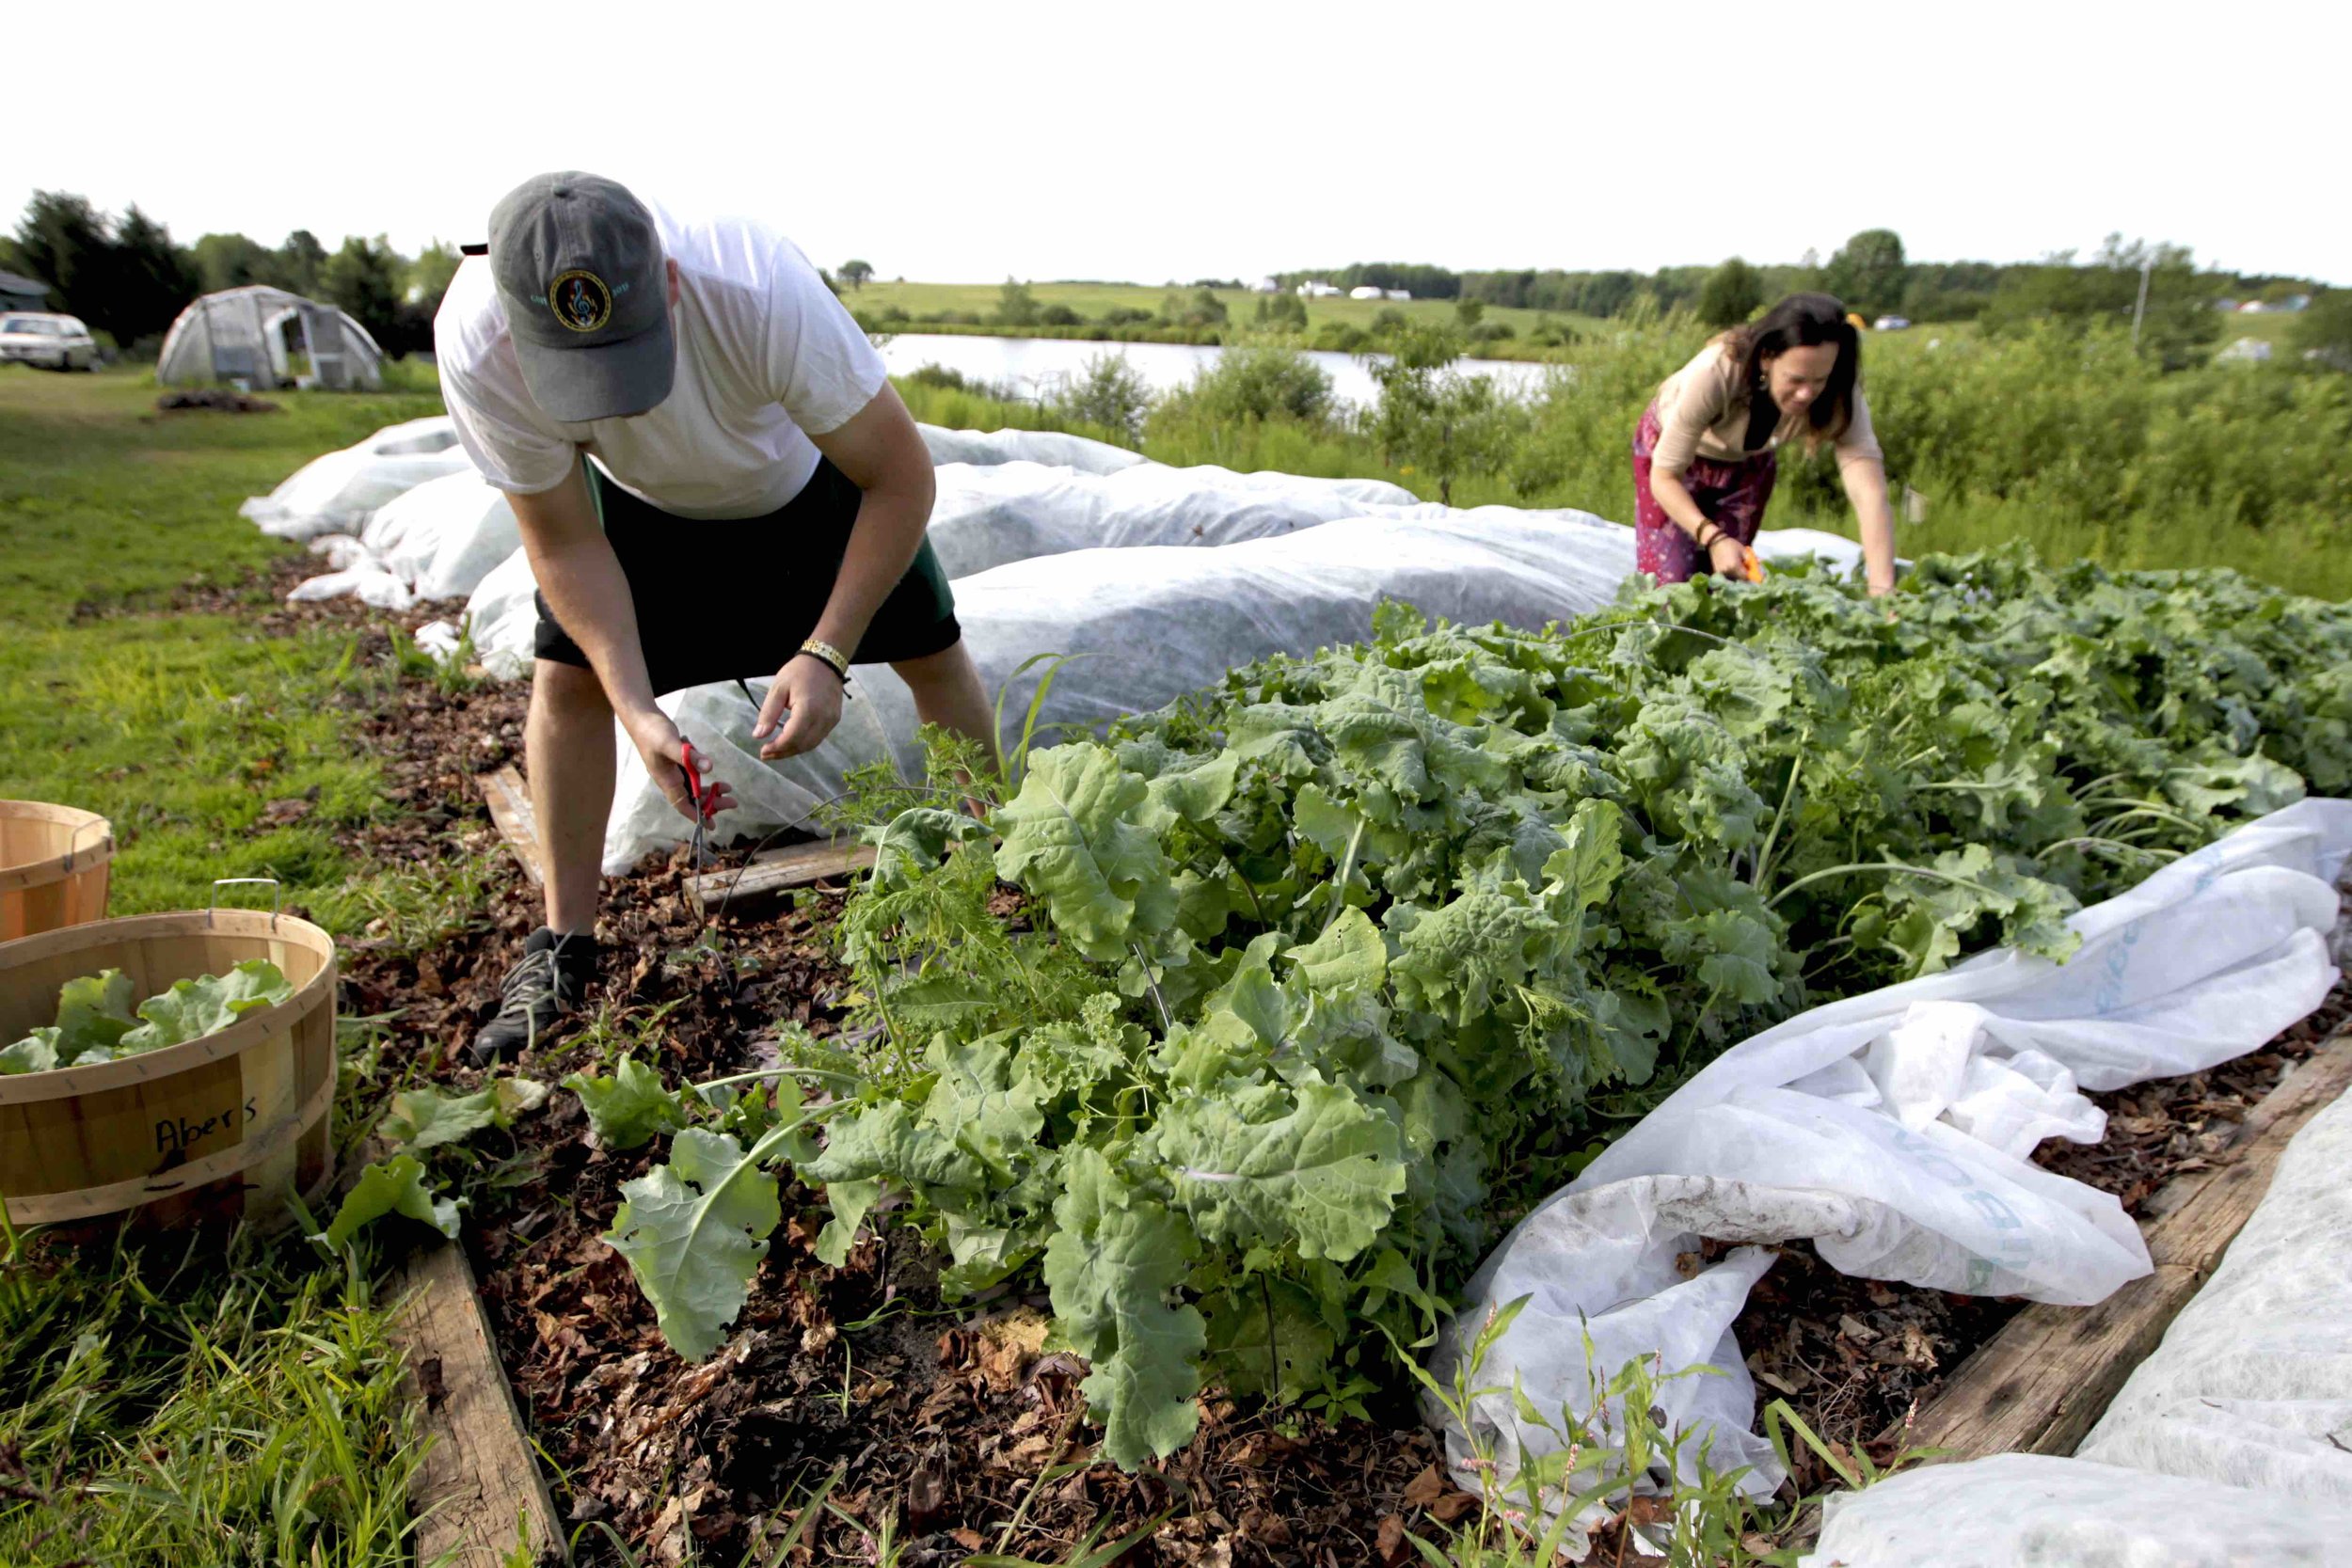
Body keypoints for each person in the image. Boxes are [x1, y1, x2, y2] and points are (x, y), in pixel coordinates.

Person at [436, 172, 995, 1061]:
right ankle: (562, 944)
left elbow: (902, 478)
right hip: (636, 507)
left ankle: (997, 870)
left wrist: (826, 649)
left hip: (805, 480)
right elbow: (565, 544)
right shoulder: (475, 342)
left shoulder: (757, 285)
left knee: (935, 654)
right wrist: (638, 707)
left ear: (667, 278)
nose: (615, 399)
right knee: (568, 684)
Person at [1631, 293, 1897, 594]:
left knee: (1731, 582)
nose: (1806, 394)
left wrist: (1882, 588)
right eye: (1795, 379)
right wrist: (1712, 537)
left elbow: (1869, 491)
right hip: (1675, 460)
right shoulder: (1716, 372)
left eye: (1819, 380)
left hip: (1746, 462)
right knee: (1673, 584)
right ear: (1767, 358)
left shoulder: (1839, 391)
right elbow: (1664, 477)